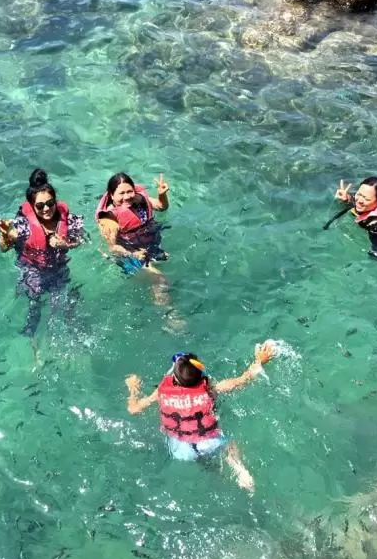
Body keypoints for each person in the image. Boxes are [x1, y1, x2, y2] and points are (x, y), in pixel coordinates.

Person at [124, 342, 275, 493]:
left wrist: (133, 387)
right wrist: (260, 360)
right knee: (230, 446)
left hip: (180, 450)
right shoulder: (210, 390)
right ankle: (240, 471)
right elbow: (243, 379)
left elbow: (133, 409)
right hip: (209, 443)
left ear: (174, 379)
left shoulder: (161, 392)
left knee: (203, 462)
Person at [0, 169, 83, 361]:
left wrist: (65, 244)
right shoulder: (22, 225)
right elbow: (4, 248)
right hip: (32, 270)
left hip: (58, 269)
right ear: (32, 207)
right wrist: (4, 235)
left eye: (50, 203)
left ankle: (69, 345)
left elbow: (82, 240)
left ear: (55, 201)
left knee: (65, 305)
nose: (46, 209)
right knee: (35, 307)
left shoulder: (69, 219)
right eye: (40, 205)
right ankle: (34, 349)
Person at [96, 172, 179, 324]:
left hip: (146, 247)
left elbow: (161, 207)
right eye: (121, 193)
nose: (127, 196)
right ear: (111, 195)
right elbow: (112, 248)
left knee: (160, 279)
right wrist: (132, 253)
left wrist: (161, 195)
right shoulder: (109, 220)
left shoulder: (138, 200)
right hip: (127, 256)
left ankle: (161, 312)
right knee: (159, 281)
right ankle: (169, 319)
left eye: (129, 191)